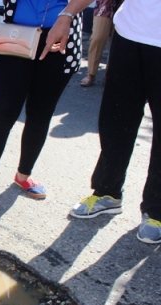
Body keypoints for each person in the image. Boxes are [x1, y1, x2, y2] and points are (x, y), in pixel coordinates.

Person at [0, 0, 90, 215]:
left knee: (40, 115)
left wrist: (68, 14)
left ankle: (23, 175)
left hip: (60, 38)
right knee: (1, 115)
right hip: (15, 34)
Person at [70, 0, 161, 244]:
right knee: (116, 120)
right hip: (128, 33)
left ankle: (156, 211)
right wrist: (68, 13)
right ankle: (107, 192)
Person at [80, 0, 121, 87]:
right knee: (98, 37)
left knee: (117, 41)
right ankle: (91, 73)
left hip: (126, 5)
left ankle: (109, 74)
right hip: (105, 3)